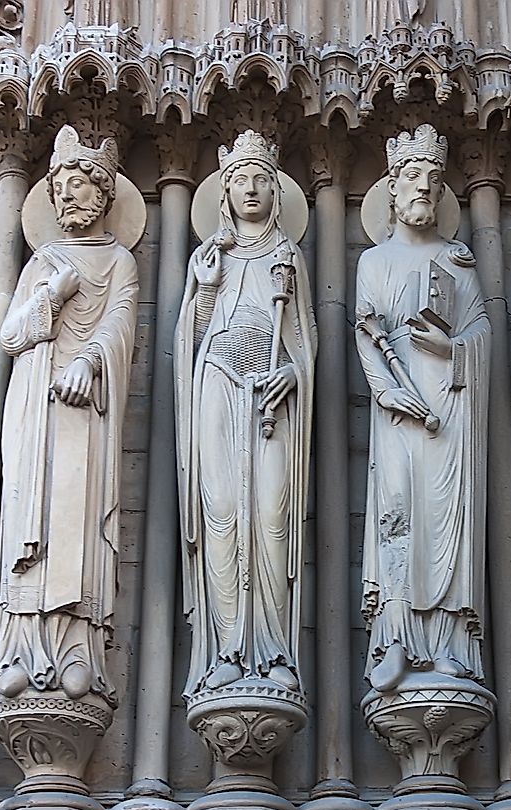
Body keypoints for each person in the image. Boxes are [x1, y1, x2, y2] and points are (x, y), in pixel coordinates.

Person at [0, 126, 139, 706]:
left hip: (87, 405)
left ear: (103, 195)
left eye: (78, 187)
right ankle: (21, 649)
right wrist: (54, 291)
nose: (67, 198)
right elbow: (11, 334)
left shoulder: (121, 262)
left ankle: (78, 650)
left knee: (78, 516)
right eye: (59, 189)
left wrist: (92, 362)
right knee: (34, 517)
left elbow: (122, 325)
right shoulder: (44, 260)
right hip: (36, 405)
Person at [175, 130, 316, 696]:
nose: (252, 189)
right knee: (223, 511)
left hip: (270, 397)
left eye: (262, 178)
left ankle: (275, 649)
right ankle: (229, 645)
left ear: (277, 191)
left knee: (273, 512)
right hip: (218, 385)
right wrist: (205, 290)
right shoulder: (210, 257)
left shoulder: (289, 257)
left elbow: (305, 341)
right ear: (224, 191)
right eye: (240, 180)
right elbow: (192, 337)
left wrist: (294, 373)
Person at [356, 124, 490, 693]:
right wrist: (386, 387)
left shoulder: (459, 263)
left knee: (446, 518)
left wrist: (452, 348)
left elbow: (483, 331)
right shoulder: (373, 261)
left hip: (451, 407)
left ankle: (451, 643)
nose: (422, 189)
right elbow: (365, 332)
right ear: (391, 188)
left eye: (433, 181)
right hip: (399, 409)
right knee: (399, 513)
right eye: (412, 177)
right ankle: (397, 639)